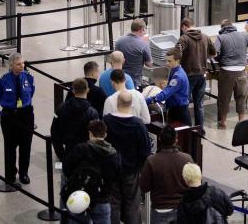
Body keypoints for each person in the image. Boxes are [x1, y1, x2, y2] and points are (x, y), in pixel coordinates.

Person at [103, 91, 151, 224]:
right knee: (132, 204)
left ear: (117, 102)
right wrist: (137, 167)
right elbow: (145, 150)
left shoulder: (107, 121)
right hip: (131, 171)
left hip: (112, 169)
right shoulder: (138, 124)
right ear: (132, 104)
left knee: (113, 202)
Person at [63, 120, 120, 224]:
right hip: (102, 199)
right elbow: (116, 176)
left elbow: (66, 169)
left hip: (80, 197)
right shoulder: (113, 154)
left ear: (90, 133)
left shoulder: (81, 149)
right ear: (105, 134)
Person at [140, 125, 194, 224]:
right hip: (182, 211)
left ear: (160, 139)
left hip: (159, 211)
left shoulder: (152, 161)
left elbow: (144, 187)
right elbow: (194, 185)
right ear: (176, 140)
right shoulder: (187, 159)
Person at [0, 52, 35, 185]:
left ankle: (24, 173)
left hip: (26, 115)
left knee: (26, 147)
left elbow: (31, 92)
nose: (22, 66)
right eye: (18, 64)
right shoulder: (3, 79)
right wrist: (8, 106)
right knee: (10, 147)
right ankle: (10, 174)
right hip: (9, 116)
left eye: (23, 63)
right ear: (11, 65)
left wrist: (23, 106)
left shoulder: (29, 78)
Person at [214, 19, 248, 128]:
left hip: (226, 72)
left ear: (222, 28)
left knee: (224, 98)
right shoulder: (244, 35)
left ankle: (223, 121)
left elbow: (214, 52)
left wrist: (220, 60)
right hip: (241, 71)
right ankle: (241, 121)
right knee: (242, 96)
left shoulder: (221, 37)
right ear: (232, 26)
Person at [176, 17, 217, 132]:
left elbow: (176, 54)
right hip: (202, 75)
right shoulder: (205, 37)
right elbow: (213, 53)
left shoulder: (184, 38)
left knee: (184, 103)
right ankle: (200, 129)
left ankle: (188, 129)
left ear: (184, 27)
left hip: (187, 76)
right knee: (199, 105)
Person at [51, 78, 100, 162]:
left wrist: (61, 155)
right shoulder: (93, 112)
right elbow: (96, 136)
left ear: (73, 91)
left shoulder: (60, 108)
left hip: (67, 151)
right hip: (86, 154)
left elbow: (54, 132)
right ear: (87, 90)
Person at [146, 48, 191, 126]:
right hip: (174, 108)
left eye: (169, 61)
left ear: (177, 61)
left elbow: (166, 94)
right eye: (166, 60)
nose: (166, 63)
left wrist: (149, 100)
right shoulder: (174, 71)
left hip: (179, 112)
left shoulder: (178, 76)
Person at [115, 18, 153, 89]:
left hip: (119, 79)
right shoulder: (143, 44)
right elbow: (149, 64)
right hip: (135, 81)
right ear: (141, 29)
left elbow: (115, 58)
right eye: (145, 29)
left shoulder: (119, 41)